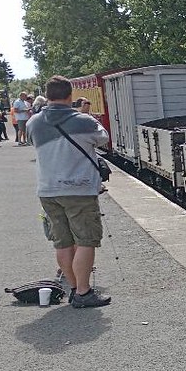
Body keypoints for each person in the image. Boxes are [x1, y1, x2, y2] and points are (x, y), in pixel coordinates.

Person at [27, 75, 112, 308]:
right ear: (70, 95)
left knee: (62, 242)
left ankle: (75, 289)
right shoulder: (83, 121)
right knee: (86, 240)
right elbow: (102, 139)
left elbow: (34, 144)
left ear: (48, 94)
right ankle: (84, 293)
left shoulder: (33, 122)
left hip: (47, 191)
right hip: (78, 190)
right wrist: (88, 115)